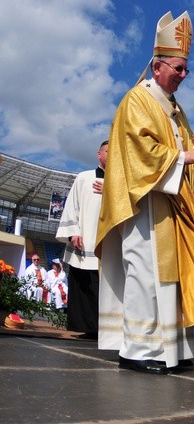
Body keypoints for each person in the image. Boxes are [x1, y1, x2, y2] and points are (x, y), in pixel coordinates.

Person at [96, 11, 194, 375]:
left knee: (171, 279)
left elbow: (184, 155)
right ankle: (138, 350)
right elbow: (137, 151)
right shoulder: (138, 100)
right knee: (145, 276)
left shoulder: (176, 110)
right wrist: (184, 156)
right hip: (144, 204)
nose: (182, 76)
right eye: (177, 68)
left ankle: (171, 350)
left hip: (171, 202)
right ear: (157, 65)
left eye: (185, 70)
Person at [55, 140, 108, 338]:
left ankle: (108, 329)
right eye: (107, 151)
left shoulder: (122, 181)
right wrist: (73, 232)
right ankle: (88, 327)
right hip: (85, 241)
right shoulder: (84, 178)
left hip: (110, 245)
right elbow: (72, 206)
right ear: (99, 154)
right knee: (85, 287)